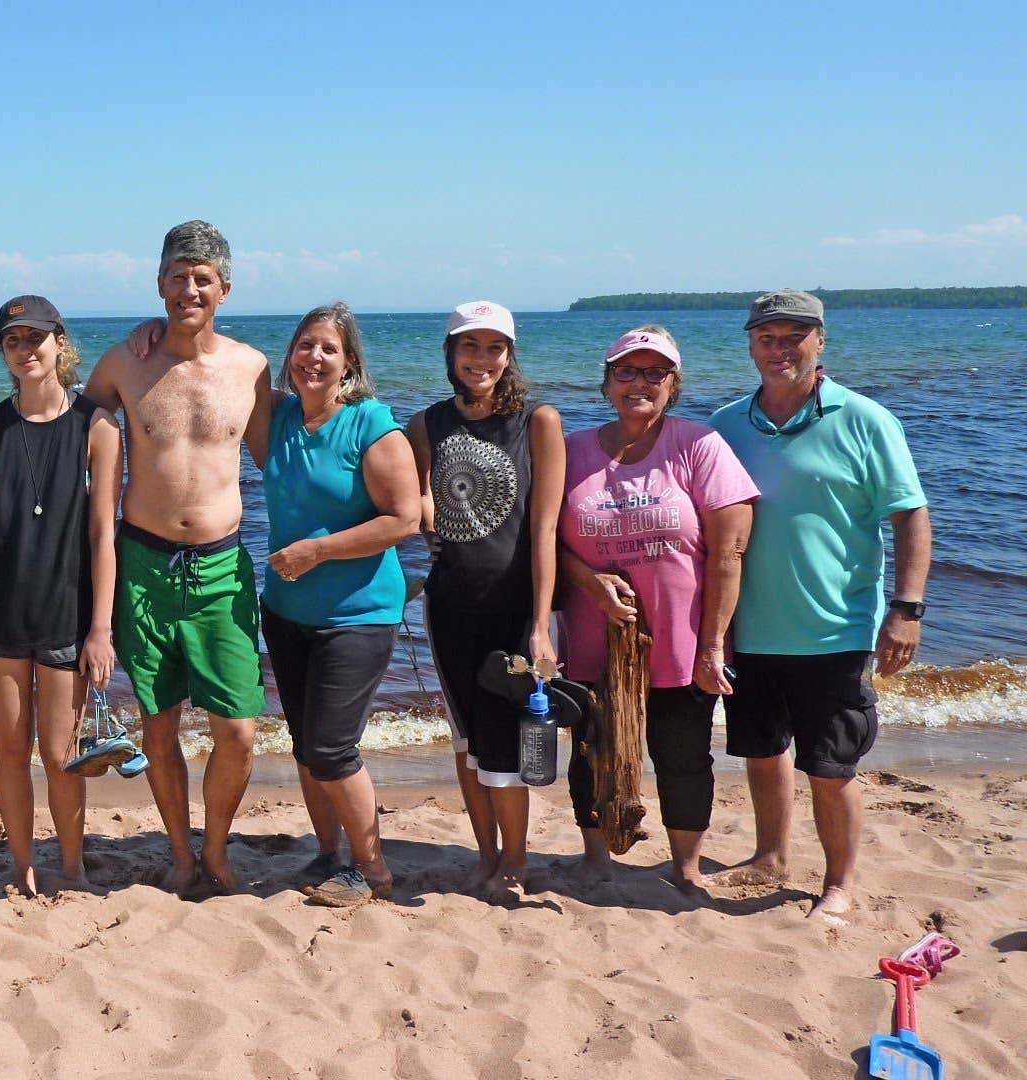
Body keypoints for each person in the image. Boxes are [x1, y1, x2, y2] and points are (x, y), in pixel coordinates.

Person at [707, 290, 930, 919]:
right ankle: (770, 853)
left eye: (793, 336)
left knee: (830, 766)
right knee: (761, 748)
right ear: (751, 344)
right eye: (767, 337)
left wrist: (906, 609)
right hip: (747, 627)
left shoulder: (866, 420)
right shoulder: (725, 425)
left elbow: (911, 516)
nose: (780, 349)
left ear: (820, 340)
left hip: (835, 629)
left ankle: (838, 883)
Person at [84, 220, 273, 894]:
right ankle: (181, 854)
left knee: (240, 731)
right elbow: (56, 427)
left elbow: (285, 454)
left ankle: (216, 849)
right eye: (177, 276)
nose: (189, 288)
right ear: (158, 283)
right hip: (143, 566)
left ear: (225, 287)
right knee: (157, 730)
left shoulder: (251, 367)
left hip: (222, 568)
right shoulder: (123, 361)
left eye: (202, 278)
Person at [557, 327, 756, 895]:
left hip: (680, 640)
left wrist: (714, 644)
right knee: (591, 751)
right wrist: (590, 581)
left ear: (673, 384)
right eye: (627, 371)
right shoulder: (572, 452)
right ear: (606, 382)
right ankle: (595, 859)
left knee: (684, 756)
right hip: (593, 638)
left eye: (654, 373)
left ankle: (686, 868)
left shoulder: (699, 446)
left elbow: (729, 552)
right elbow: (543, 540)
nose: (639, 383)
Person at [0, 295, 121, 895]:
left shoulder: (97, 426)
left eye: (34, 338)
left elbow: (104, 533)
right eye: (12, 341)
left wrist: (101, 628)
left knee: (61, 752)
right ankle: (22, 866)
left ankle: (71, 866)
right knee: (11, 750)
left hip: (66, 613)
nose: (25, 351)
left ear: (59, 342)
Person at [259, 304, 420, 906]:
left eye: (328, 348)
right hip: (286, 611)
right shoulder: (279, 417)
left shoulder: (371, 424)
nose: (314, 357)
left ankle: (372, 868)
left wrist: (319, 552)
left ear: (349, 360)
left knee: (332, 748)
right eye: (305, 345)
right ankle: (328, 853)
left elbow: (404, 520)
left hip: (358, 615)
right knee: (305, 743)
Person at [407, 301, 564, 902]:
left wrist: (542, 624)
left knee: (505, 741)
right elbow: (413, 500)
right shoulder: (427, 424)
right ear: (450, 353)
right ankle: (486, 853)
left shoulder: (538, 422)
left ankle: (517, 861)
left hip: (513, 607)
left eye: (494, 348)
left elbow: (545, 527)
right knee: (467, 741)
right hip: (448, 606)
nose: (481, 359)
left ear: (509, 354)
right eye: (469, 347)